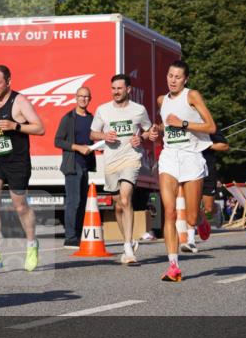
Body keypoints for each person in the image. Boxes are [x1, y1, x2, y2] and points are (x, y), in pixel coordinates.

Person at [152, 60, 216, 282]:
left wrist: (184, 124)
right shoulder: (161, 100)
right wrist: (155, 131)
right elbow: (165, 126)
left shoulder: (192, 96)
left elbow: (211, 127)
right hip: (169, 157)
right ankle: (173, 265)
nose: (173, 80)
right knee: (169, 211)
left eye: (178, 77)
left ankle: (200, 220)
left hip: (191, 157)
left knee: (189, 217)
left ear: (185, 79)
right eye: (170, 75)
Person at [0, 65, 46, 272]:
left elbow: (40, 128)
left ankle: (32, 245)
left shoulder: (20, 102)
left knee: (20, 206)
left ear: (8, 81)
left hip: (17, 161)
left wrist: (15, 126)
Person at [89, 74, 156, 264]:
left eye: (119, 88)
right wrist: (104, 135)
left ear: (128, 89)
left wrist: (141, 138)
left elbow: (149, 131)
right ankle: (129, 239)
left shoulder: (138, 110)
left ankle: (127, 248)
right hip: (111, 161)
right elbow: (93, 133)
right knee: (118, 205)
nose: (116, 92)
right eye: (113, 88)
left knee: (126, 198)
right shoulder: (103, 109)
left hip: (131, 158)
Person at [54, 86, 95, 249]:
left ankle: (78, 235)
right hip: (73, 164)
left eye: (86, 97)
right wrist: (77, 147)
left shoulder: (92, 118)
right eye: (80, 96)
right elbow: (58, 141)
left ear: (89, 99)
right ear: (75, 98)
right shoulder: (68, 118)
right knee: (74, 201)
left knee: (83, 201)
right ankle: (70, 237)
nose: (83, 99)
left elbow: (93, 139)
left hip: (86, 165)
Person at [199, 130, 229, 233]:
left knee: (209, 209)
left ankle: (216, 208)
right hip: (189, 169)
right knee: (189, 204)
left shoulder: (209, 126)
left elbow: (224, 146)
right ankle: (190, 233)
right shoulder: (181, 124)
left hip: (208, 169)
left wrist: (205, 145)